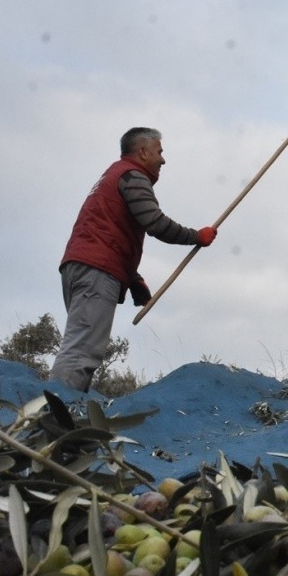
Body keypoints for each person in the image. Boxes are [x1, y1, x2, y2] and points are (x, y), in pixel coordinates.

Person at [49, 127, 217, 392]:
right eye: (159, 152)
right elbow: (155, 222)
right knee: (82, 350)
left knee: (83, 344)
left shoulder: (114, 176)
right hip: (96, 271)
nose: (163, 159)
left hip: (82, 266)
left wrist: (131, 278)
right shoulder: (132, 176)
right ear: (143, 151)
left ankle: (66, 413)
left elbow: (107, 231)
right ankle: (54, 416)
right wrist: (197, 236)